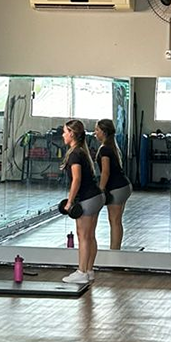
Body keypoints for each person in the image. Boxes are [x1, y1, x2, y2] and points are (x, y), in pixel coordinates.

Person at [60, 119, 105, 285]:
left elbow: (76, 180)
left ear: (72, 134)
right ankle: (89, 270)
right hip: (96, 197)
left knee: (83, 236)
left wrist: (70, 202)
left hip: (87, 198)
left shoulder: (75, 154)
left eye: (65, 132)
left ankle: (81, 272)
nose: (63, 135)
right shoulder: (81, 151)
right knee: (90, 235)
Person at [94, 118, 132, 250]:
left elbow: (105, 172)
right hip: (124, 186)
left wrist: (100, 190)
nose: (95, 132)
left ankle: (114, 251)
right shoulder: (111, 147)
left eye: (97, 130)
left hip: (117, 188)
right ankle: (115, 249)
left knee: (114, 221)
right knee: (117, 221)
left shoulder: (105, 149)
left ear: (104, 132)